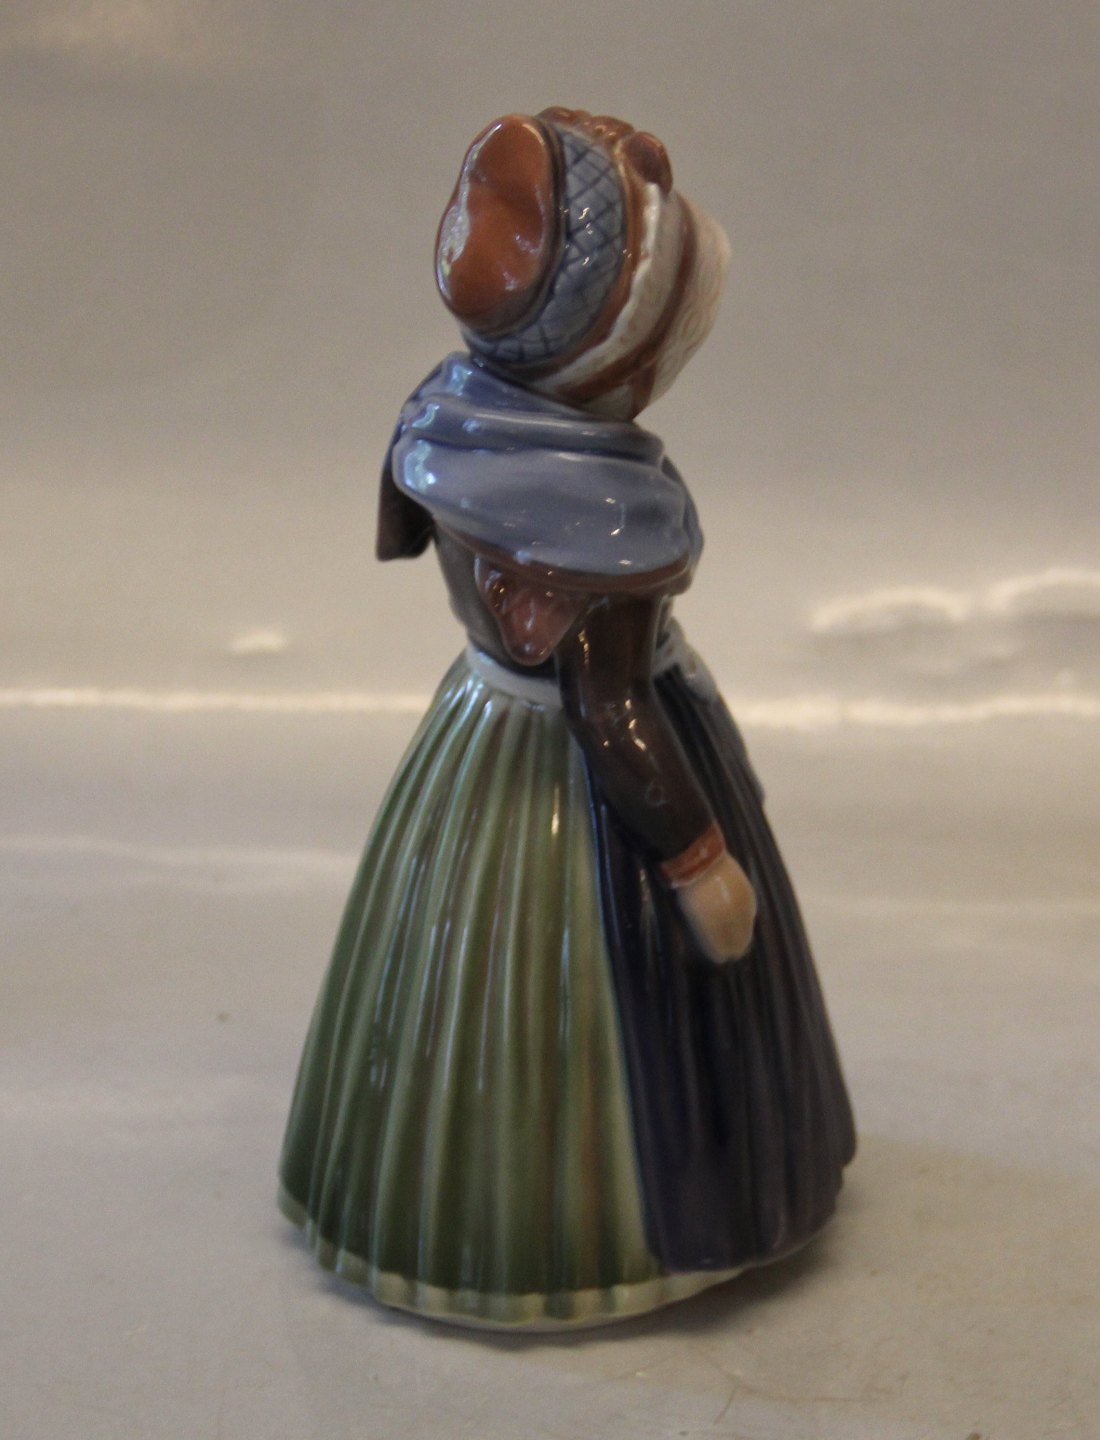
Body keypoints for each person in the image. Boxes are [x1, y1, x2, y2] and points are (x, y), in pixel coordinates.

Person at [279, 108, 855, 1329]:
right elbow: (609, 710)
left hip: (476, 727)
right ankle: (606, 1225)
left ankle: (420, 1192)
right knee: (586, 1002)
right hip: (590, 793)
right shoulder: (593, 522)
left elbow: (399, 527)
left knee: (445, 978)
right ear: (621, 369)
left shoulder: (448, 420)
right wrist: (698, 865)